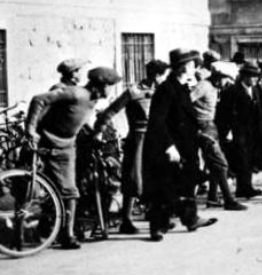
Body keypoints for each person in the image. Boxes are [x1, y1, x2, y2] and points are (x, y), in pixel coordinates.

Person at [24, 66, 122, 249]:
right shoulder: (76, 94)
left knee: (67, 191)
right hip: (47, 142)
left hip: (67, 147)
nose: (111, 91)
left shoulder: (92, 101)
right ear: (100, 85)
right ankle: (55, 234)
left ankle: (61, 232)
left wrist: (94, 135)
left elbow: (79, 119)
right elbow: (39, 100)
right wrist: (30, 129)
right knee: (50, 190)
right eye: (110, 86)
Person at [143, 48, 217, 242]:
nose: (196, 67)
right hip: (171, 146)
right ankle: (158, 227)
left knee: (186, 183)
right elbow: (157, 121)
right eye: (193, 64)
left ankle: (191, 219)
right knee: (164, 186)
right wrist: (169, 146)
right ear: (185, 66)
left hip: (186, 145)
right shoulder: (167, 89)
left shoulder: (182, 87)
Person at [95, 59, 170, 234]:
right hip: (138, 139)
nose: (164, 79)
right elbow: (111, 111)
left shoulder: (162, 91)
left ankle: (157, 217)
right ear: (156, 75)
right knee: (133, 179)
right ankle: (126, 220)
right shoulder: (133, 92)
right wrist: (99, 130)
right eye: (162, 76)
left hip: (156, 139)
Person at [191, 52, 247, 211]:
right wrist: (195, 123)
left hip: (211, 127)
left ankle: (213, 198)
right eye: (226, 80)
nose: (227, 84)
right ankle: (229, 200)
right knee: (221, 164)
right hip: (203, 128)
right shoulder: (203, 86)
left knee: (214, 164)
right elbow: (185, 103)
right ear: (218, 76)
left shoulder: (214, 88)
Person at [216, 61, 262, 199]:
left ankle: (247, 187)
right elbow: (224, 113)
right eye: (253, 76)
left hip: (252, 130)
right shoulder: (232, 91)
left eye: (257, 76)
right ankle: (242, 188)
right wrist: (227, 131)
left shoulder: (255, 90)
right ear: (245, 77)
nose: (255, 79)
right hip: (238, 131)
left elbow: (259, 109)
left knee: (249, 158)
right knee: (241, 159)